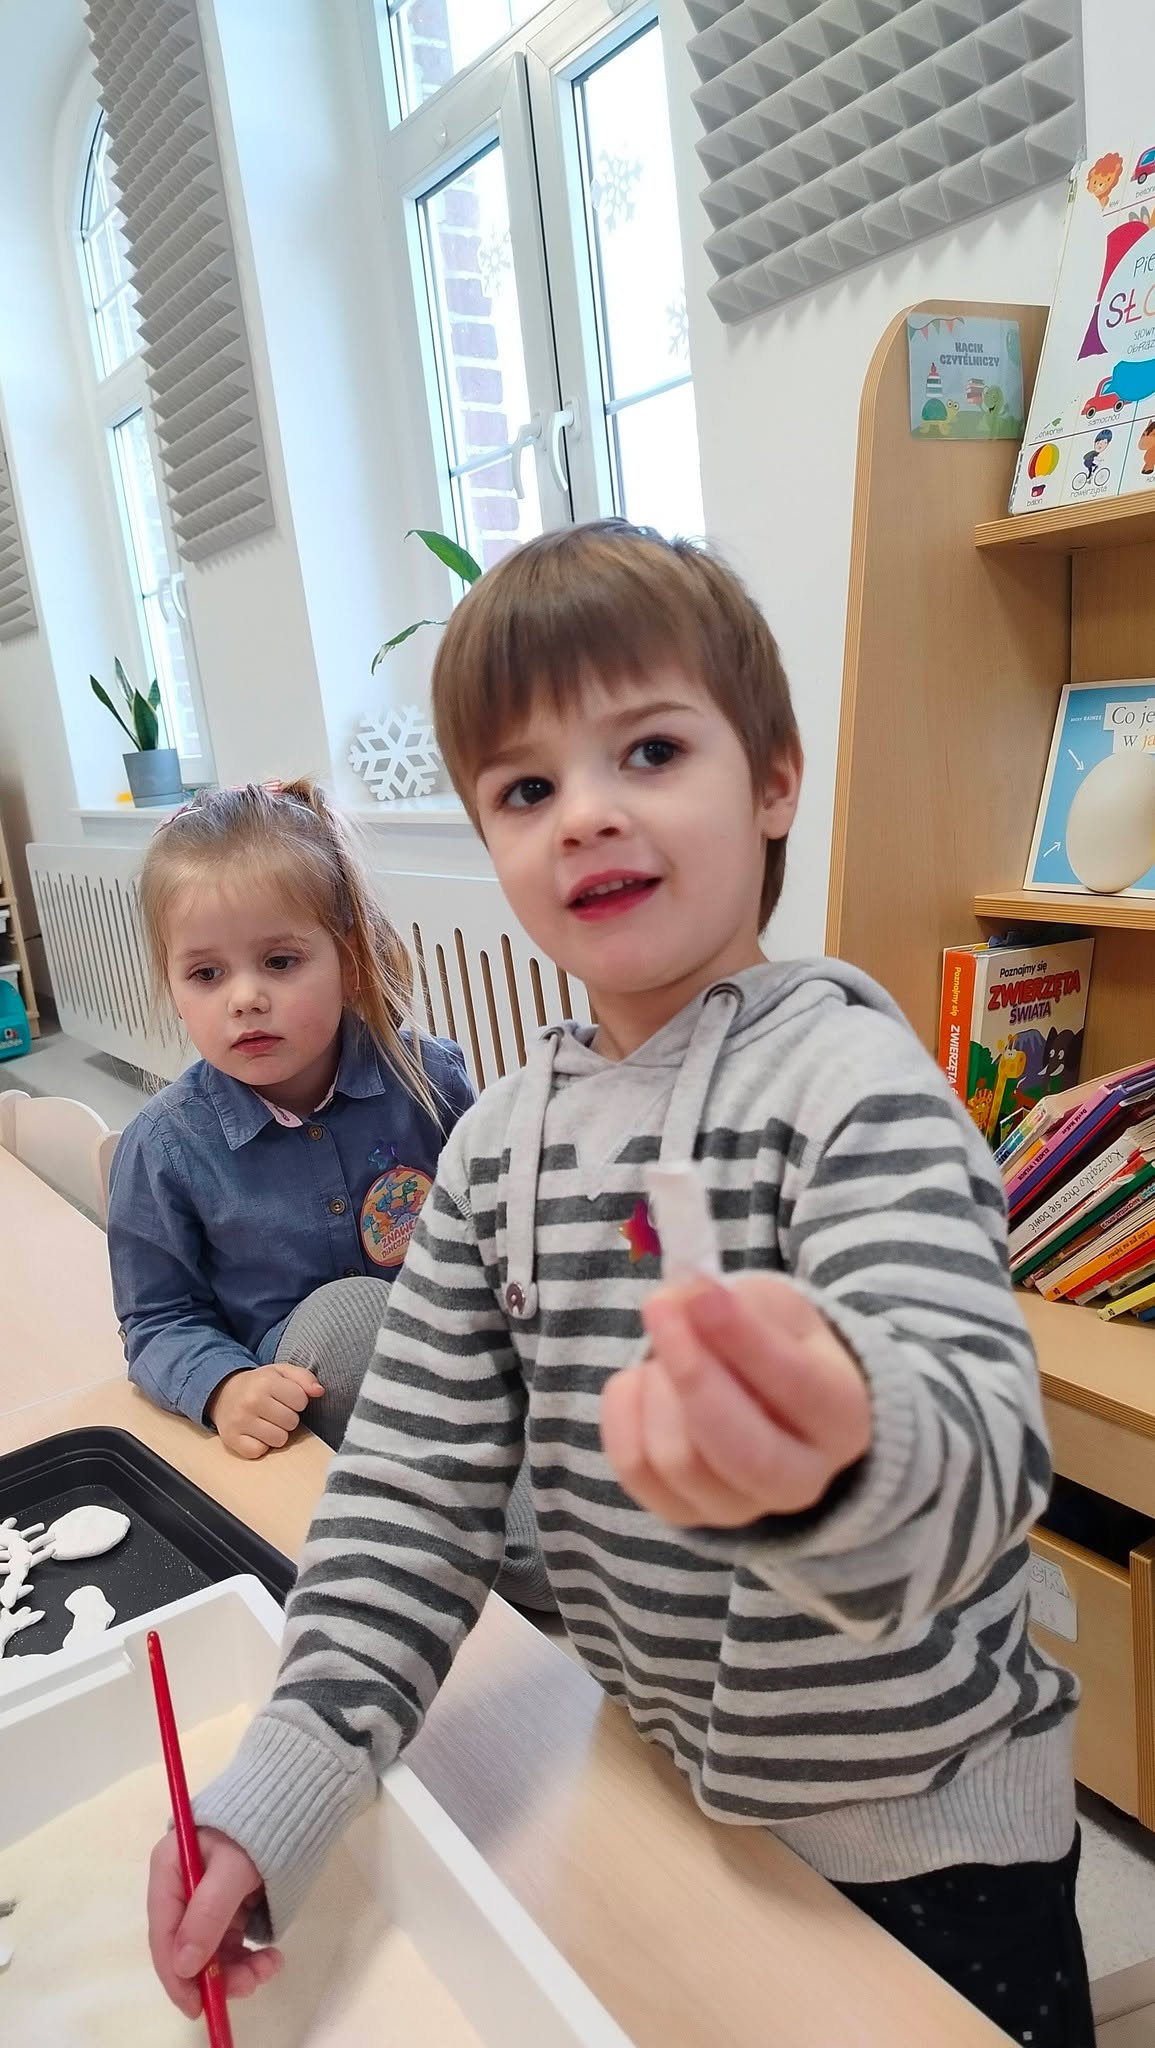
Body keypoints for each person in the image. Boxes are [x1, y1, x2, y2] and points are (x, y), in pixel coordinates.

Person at [147, 527, 1090, 2046]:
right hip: (665, 1793)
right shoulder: (493, 1150)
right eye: (525, 789)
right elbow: (410, 1499)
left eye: (648, 751)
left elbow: (980, 1451)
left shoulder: (857, 1087)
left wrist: (838, 1452)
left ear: (771, 780)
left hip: (932, 1845)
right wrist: (284, 1785)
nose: (584, 812)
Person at [107, 779, 551, 1603]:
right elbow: (157, 1321)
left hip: (471, 1363)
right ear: (172, 987)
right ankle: (560, 1556)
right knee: (352, 1315)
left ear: (347, 960)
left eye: (279, 962)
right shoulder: (163, 1148)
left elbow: (498, 1223)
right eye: (205, 973)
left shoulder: (426, 1075)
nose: (245, 997)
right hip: (316, 1393)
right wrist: (222, 1387)